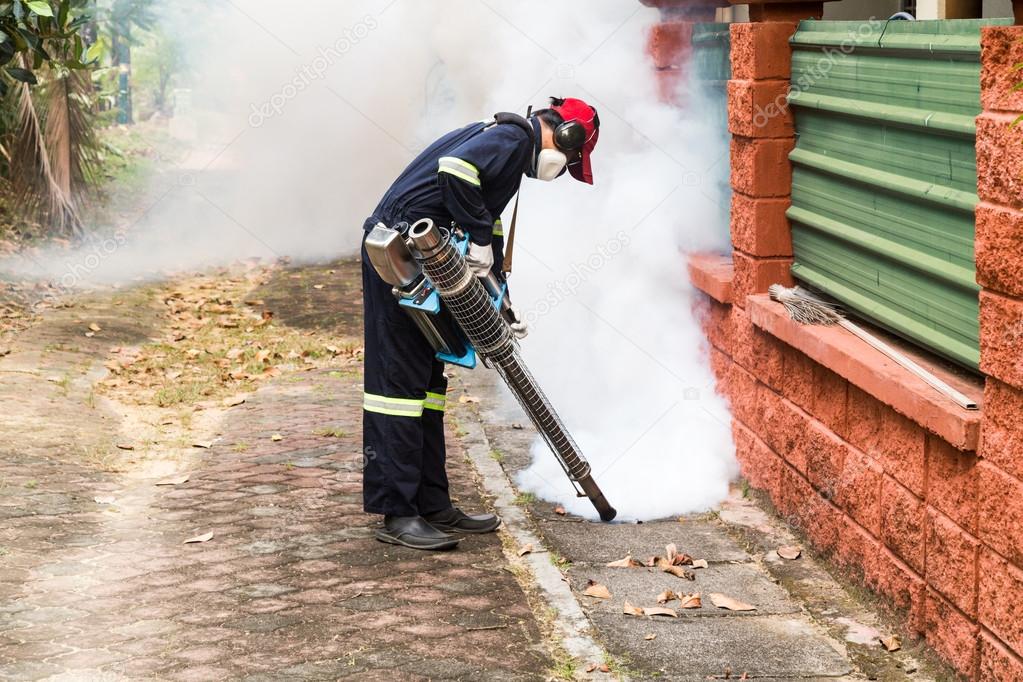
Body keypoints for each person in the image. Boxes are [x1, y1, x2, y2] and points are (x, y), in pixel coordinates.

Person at [361, 97, 600, 550]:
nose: (563, 168)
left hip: (422, 262)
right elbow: (455, 171)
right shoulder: (513, 138)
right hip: (397, 257)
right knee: (398, 387)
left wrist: (502, 299)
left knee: (428, 387)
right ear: (566, 134)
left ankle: (432, 504)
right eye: (571, 157)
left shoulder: (508, 148)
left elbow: (486, 226)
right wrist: (475, 237)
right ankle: (397, 513)